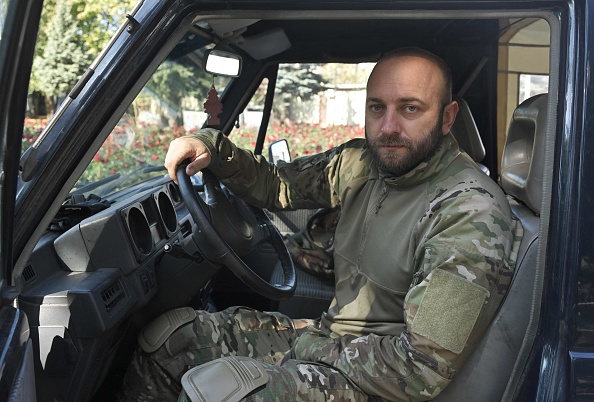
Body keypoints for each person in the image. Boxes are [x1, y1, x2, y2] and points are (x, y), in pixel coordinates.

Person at [119, 48, 523, 402]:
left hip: (382, 383)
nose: (388, 128)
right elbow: (276, 184)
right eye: (377, 107)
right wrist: (212, 147)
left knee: (224, 393)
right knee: (171, 343)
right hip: (334, 343)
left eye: (410, 108)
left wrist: (315, 346)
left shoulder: (470, 215)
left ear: (448, 117)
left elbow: (419, 369)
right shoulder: (362, 163)